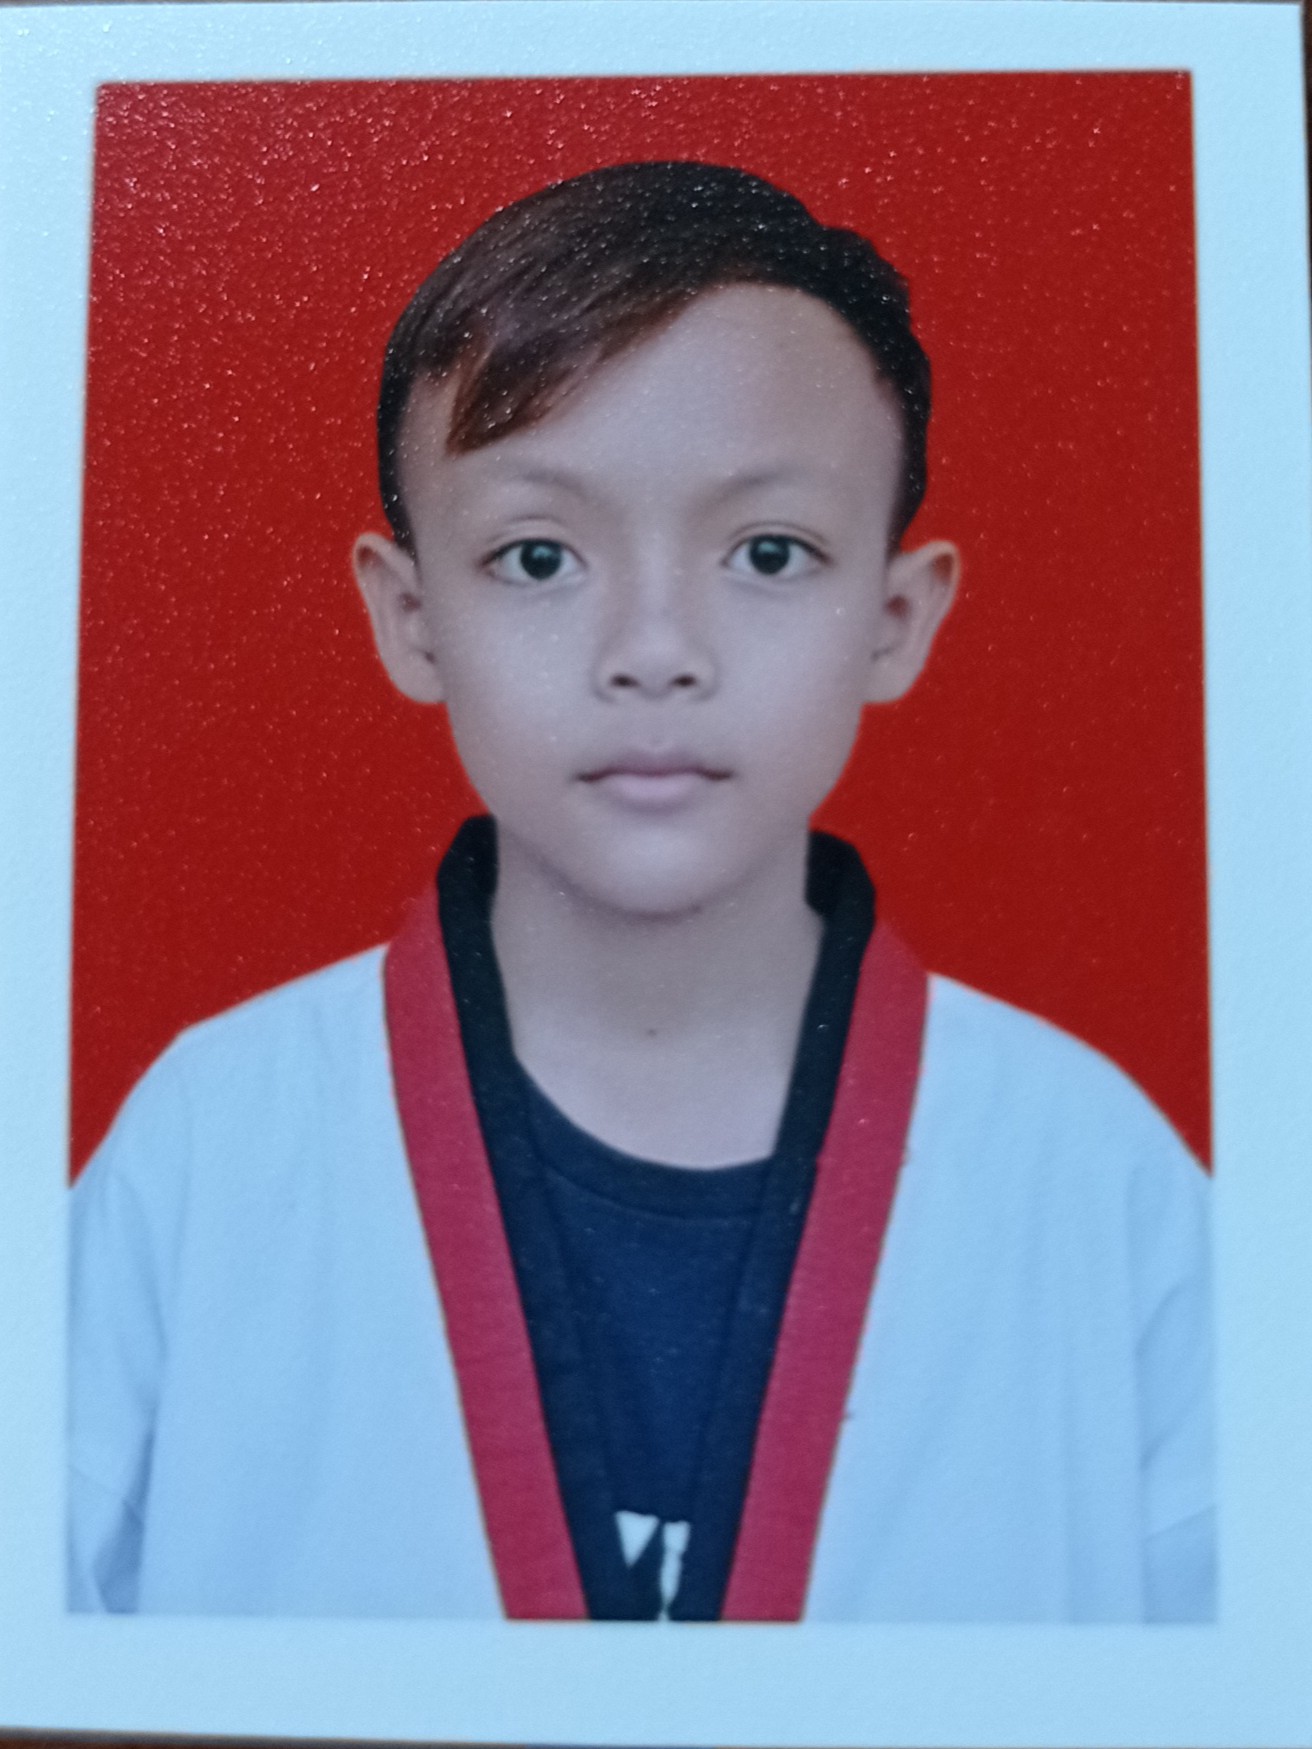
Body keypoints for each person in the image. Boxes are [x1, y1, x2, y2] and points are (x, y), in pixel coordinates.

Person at [69, 161, 1212, 1622]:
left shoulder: (1100, 1180)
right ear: (410, 617)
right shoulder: (208, 1149)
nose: (656, 650)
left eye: (769, 553)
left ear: (896, 616)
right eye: (538, 556)